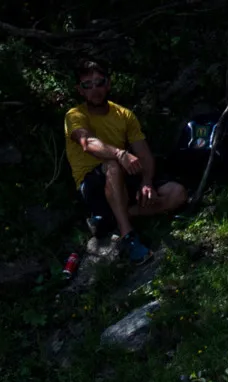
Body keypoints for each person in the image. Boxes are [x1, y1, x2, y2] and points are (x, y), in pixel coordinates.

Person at [63, 60, 187, 264]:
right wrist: (120, 154)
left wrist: (146, 181)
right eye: (88, 85)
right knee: (112, 164)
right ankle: (127, 235)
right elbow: (88, 143)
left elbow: (143, 152)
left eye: (99, 82)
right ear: (80, 90)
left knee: (177, 193)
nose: (95, 90)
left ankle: (112, 218)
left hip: (123, 176)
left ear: (108, 84)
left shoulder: (124, 114)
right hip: (93, 182)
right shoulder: (74, 115)